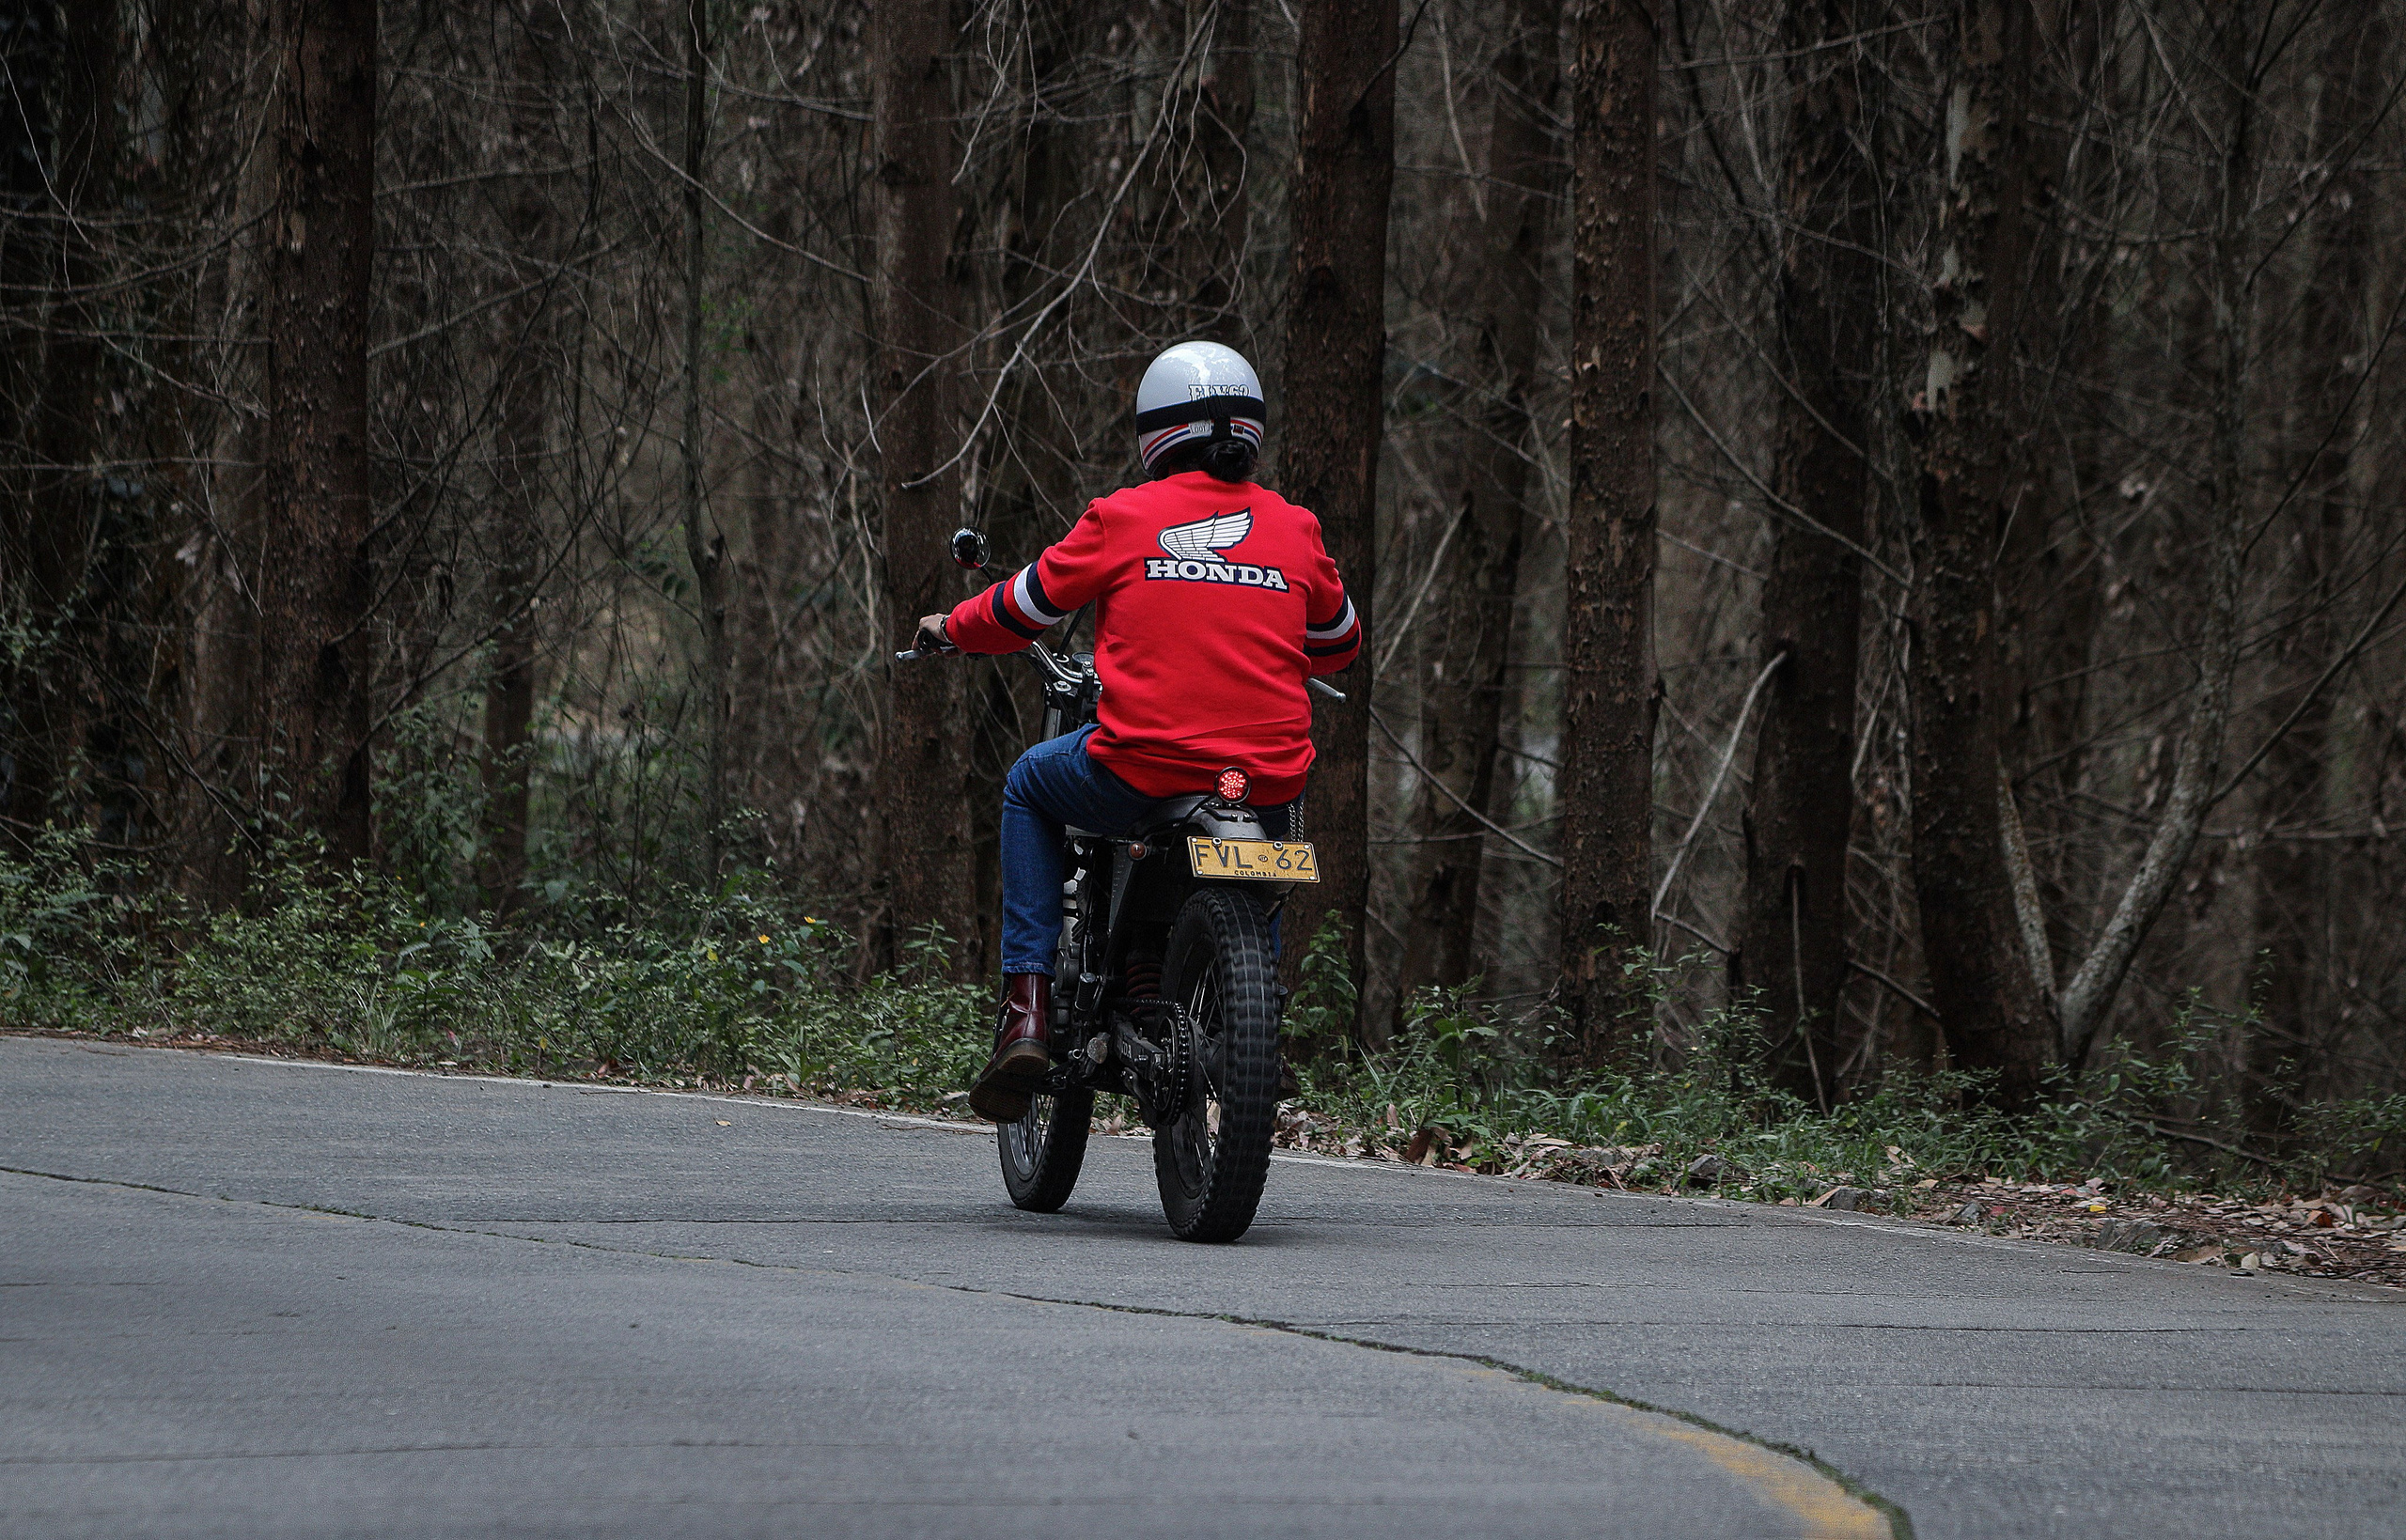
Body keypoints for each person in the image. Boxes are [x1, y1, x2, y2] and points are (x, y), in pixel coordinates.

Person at [912, 341, 1361, 1122]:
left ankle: (1026, 1009)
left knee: (1027, 783)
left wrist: (949, 627)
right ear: (1250, 430)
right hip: (1261, 779)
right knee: (1270, 848)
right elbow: (1340, 641)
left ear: (1157, 430)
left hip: (1142, 766)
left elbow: (1022, 609)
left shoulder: (1123, 517)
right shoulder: (1295, 530)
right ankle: (1260, 1023)